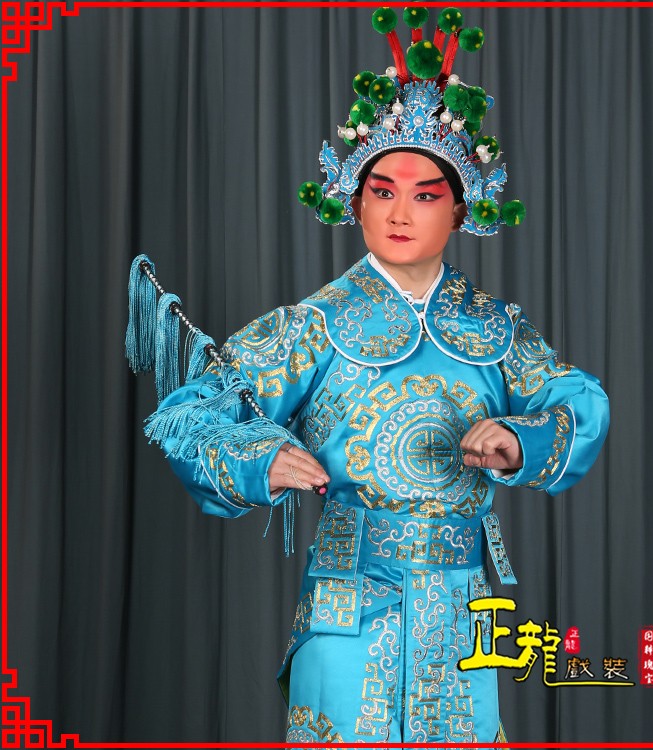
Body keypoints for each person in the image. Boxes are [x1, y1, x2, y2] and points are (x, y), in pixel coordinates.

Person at [143, 8, 609, 744]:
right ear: (355, 201)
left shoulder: (494, 331)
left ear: (460, 210)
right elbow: (189, 413)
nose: (400, 212)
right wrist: (258, 455)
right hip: (348, 604)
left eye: (425, 195)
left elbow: (580, 401)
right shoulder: (316, 326)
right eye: (383, 190)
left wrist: (523, 438)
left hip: (461, 612)